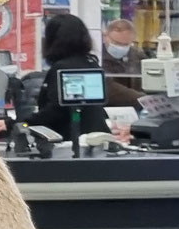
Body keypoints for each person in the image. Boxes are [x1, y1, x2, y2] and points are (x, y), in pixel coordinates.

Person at [29, 13, 109, 141]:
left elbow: (56, 111)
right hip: (98, 137)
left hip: (69, 139)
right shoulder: (92, 65)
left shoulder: (61, 68)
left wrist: (20, 123)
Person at [100, 18, 146, 106]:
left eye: (125, 44)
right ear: (106, 37)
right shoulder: (98, 56)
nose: (120, 47)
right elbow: (108, 87)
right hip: (108, 106)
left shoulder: (136, 55)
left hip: (135, 107)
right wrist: (141, 98)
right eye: (116, 43)